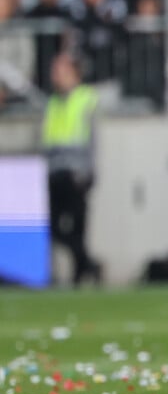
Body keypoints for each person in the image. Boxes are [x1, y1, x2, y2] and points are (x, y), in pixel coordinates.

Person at [42, 52, 102, 285]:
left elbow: (96, 140)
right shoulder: (53, 101)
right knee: (56, 229)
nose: (55, 76)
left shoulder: (86, 98)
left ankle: (81, 272)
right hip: (55, 172)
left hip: (76, 173)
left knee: (77, 228)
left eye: (60, 70)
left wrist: (91, 171)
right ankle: (88, 264)